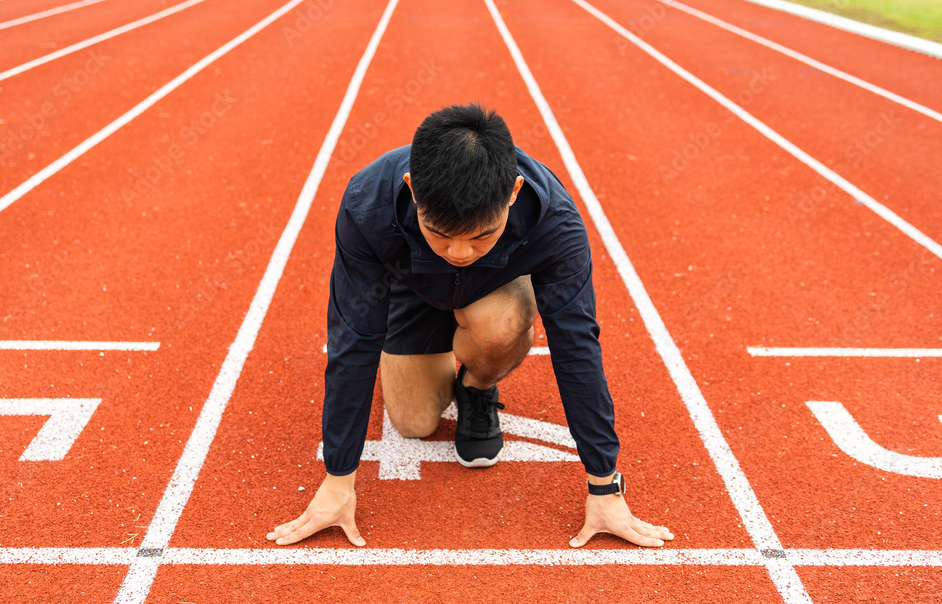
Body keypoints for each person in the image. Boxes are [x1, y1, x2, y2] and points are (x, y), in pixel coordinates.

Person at [268, 104, 673, 548]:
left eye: (481, 234)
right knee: (414, 422)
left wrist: (604, 487)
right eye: (440, 233)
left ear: (514, 192)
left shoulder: (556, 224)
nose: (459, 252)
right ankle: (431, 343)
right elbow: (354, 336)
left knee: (503, 325)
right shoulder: (368, 205)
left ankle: (477, 387)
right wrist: (337, 479)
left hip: (494, 289)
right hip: (414, 288)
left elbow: (577, 344)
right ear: (412, 190)